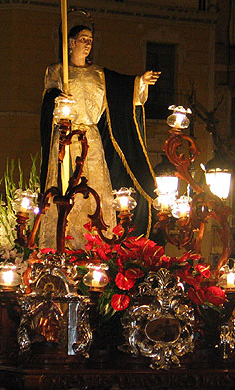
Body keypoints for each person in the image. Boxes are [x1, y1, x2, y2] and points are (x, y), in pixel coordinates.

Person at [40, 24, 160, 248]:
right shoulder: (57, 70)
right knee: (66, 188)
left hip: (91, 138)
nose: (87, 44)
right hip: (66, 137)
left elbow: (122, 89)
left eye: (90, 40)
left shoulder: (99, 74)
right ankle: (62, 241)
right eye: (83, 39)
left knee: (94, 188)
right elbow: (48, 101)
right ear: (71, 43)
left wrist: (141, 81)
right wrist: (57, 99)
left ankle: (96, 243)